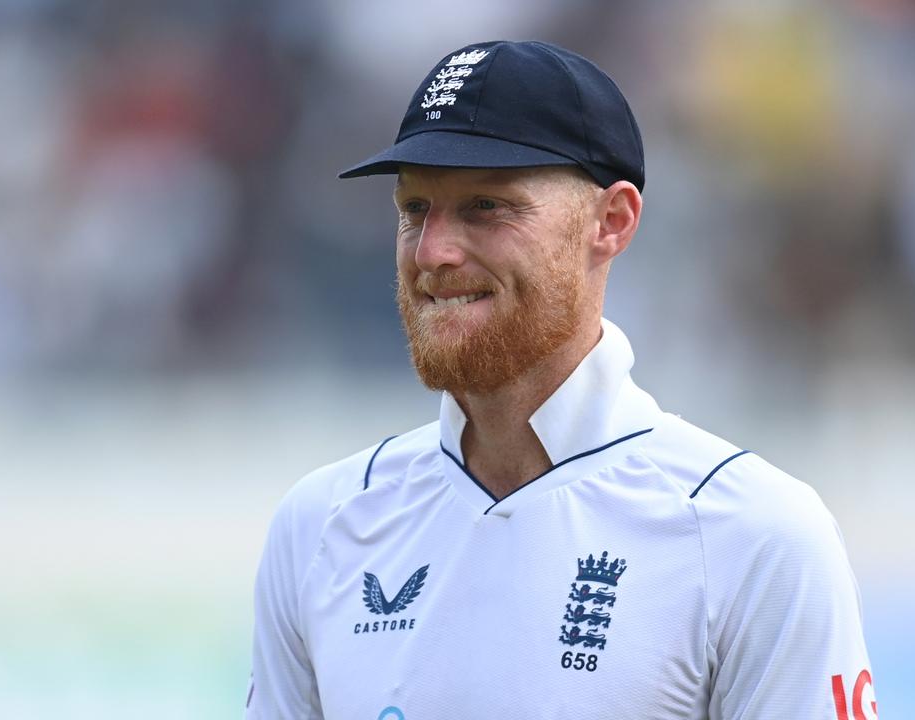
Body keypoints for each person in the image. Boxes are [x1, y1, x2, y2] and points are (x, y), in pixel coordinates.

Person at [247, 40, 875, 720]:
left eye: (485, 207)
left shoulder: (754, 533)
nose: (432, 251)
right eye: (415, 208)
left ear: (612, 222)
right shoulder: (322, 524)